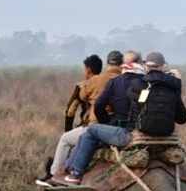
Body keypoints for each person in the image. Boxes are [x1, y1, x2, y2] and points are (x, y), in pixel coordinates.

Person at [56, 51, 154, 183]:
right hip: (151, 131)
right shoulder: (150, 83)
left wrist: (106, 122)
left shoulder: (115, 83)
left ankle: (74, 172)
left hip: (123, 130)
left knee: (89, 133)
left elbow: (96, 106)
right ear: (141, 63)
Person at [48, 54, 111, 180]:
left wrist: (68, 130)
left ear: (88, 70)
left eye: (84, 69)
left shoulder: (82, 86)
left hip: (90, 126)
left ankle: (54, 175)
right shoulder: (108, 83)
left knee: (65, 139)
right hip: (110, 126)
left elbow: (70, 111)